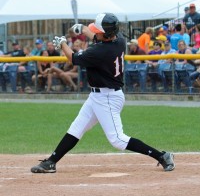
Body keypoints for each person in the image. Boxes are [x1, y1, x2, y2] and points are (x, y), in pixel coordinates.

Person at [30, 12, 175, 173]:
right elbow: (100, 36)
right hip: (99, 96)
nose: (95, 33)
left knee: (117, 140)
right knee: (76, 128)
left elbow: (73, 58)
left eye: (96, 31)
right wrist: (84, 29)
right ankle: (51, 162)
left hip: (107, 97)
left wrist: (63, 43)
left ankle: (162, 156)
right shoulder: (119, 40)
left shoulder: (98, 52)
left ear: (104, 34)